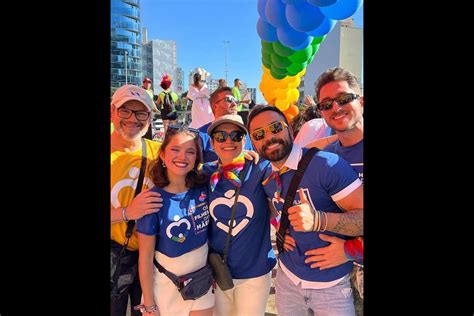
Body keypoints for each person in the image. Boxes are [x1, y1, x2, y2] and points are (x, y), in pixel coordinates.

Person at [247, 104, 363, 316]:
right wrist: (281, 232)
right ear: (253, 143)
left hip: (333, 288)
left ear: (290, 129)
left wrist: (319, 220)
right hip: (287, 280)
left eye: (275, 127)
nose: (269, 137)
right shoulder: (265, 175)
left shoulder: (326, 165)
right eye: (259, 134)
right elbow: (274, 209)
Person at [289, 67, 365, 313]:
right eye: (326, 105)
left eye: (344, 99)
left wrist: (350, 250)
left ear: (361, 101)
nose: (336, 108)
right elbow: (289, 158)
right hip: (336, 279)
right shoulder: (326, 156)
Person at [203, 114, 277, 316]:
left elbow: (281, 200)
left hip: (254, 273)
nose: (228, 141)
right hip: (218, 272)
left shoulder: (260, 168)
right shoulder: (205, 174)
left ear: (245, 140)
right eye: (221, 136)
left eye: (236, 135)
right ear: (212, 142)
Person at [136, 125, 214, 316]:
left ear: (197, 157)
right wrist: (149, 304)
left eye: (190, 152)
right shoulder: (152, 200)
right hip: (164, 288)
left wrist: (245, 156)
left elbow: (230, 160)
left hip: (201, 284)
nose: (182, 157)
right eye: (175, 149)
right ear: (162, 154)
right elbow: (145, 257)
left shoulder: (204, 186)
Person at [111, 84, 163, 316]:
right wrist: (126, 213)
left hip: (151, 260)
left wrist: (242, 158)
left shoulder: (160, 152)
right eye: (125, 110)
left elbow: (196, 168)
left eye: (141, 112)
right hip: (114, 260)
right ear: (113, 111)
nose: (133, 119)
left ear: (150, 118)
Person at [198, 87, 254, 163]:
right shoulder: (200, 135)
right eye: (229, 100)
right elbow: (195, 169)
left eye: (236, 101)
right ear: (215, 106)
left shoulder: (243, 132)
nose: (234, 104)